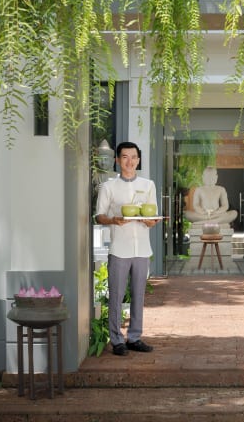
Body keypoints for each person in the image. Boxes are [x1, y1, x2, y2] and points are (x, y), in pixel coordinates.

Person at [95, 141, 161, 356]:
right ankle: (117, 340)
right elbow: (99, 216)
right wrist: (113, 220)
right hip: (119, 249)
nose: (129, 161)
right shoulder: (109, 187)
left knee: (138, 295)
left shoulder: (148, 185)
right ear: (117, 160)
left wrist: (151, 222)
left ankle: (134, 338)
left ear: (138, 160)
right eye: (125, 157)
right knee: (116, 295)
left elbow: (152, 216)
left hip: (142, 249)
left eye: (133, 157)